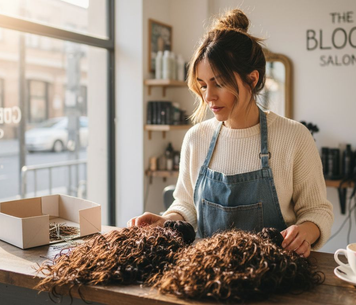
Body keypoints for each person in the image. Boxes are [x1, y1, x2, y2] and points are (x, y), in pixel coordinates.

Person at [128, 9, 333, 258]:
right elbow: (186, 205)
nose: (208, 96)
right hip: (208, 276)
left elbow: (317, 211)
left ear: (253, 79)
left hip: (275, 277)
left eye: (219, 83)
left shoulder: (294, 137)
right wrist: (167, 220)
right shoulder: (196, 139)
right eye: (203, 85)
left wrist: (306, 231)